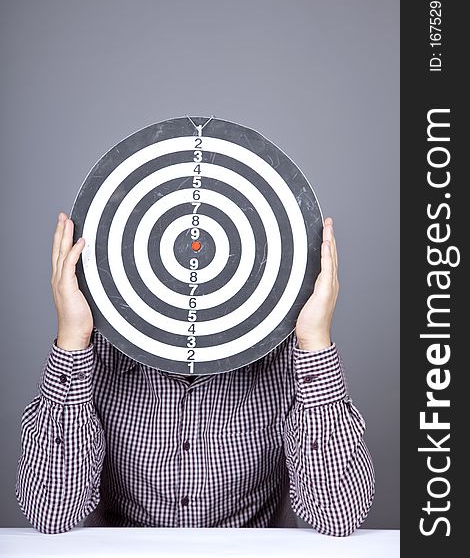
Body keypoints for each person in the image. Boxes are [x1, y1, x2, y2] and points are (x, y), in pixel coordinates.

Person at [15, 212, 375, 535]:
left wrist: (314, 341)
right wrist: (73, 340)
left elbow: (337, 516)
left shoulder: (280, 352)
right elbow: (52, 513)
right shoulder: (102, 348)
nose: (194, 263)